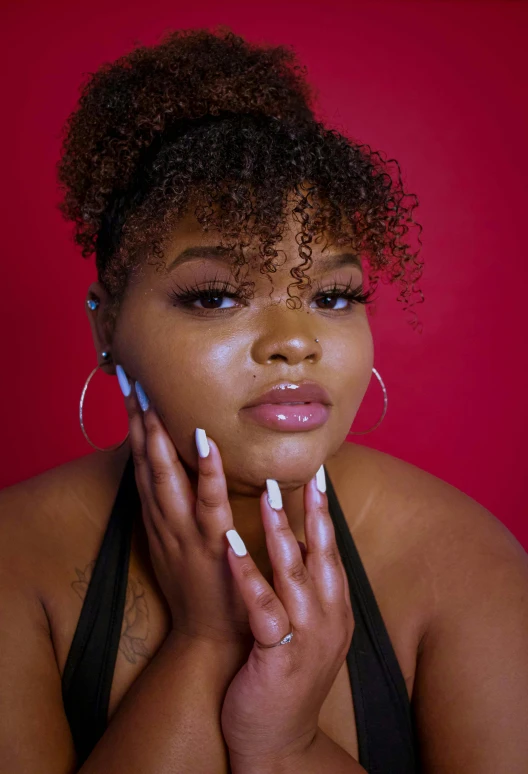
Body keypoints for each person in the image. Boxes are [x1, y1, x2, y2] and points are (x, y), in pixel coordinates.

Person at [0, 25, 527, 774]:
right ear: (107, 324)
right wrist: (204, 641)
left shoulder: (461, 561)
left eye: (335, 296)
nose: (295, 340)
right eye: (216, 295)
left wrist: (287, 745)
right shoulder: (14, 561)